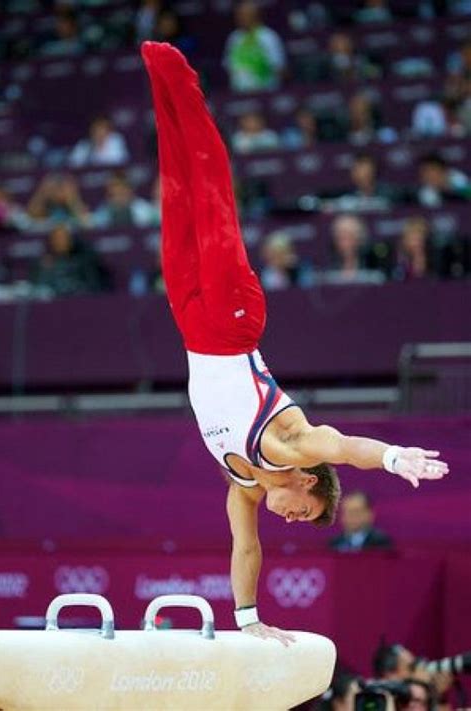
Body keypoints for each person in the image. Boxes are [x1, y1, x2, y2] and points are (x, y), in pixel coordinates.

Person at [142, 42, 449, 644]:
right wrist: (392, 457)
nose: (289, 519)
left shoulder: (245, 487)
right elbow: (342, 445)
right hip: (232, 324)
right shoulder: (294, 451)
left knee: (175, 198)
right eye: (303, 513)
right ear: (309, 482)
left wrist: (249, 621)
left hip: (191, 327)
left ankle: (159, 87)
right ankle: (183, 79)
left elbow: (246, 549)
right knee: (209, 197)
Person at [31, 224, 109, 298]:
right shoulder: (43, 263)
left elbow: (94, 287)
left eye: (64, 238)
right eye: (57, 238)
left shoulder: (84, 260)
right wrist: (46, 271)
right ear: (52, 241)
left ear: (71, 240)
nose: (61, 241)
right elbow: (37, 290)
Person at [223, 1, 286, 92]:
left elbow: (280, 68)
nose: (240, 18)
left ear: (256, 16)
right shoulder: (234, 38)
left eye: (244, 15)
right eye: (238, 15)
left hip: (266, 92)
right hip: (240, 94)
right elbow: (229, 67)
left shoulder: (268, 36)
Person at [92, 172, 157, 228]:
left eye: (122, 192)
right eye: (115, 193)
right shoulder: (104, 210)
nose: (119, 196)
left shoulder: (144, 209)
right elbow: (91, 223)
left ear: (130, 191)